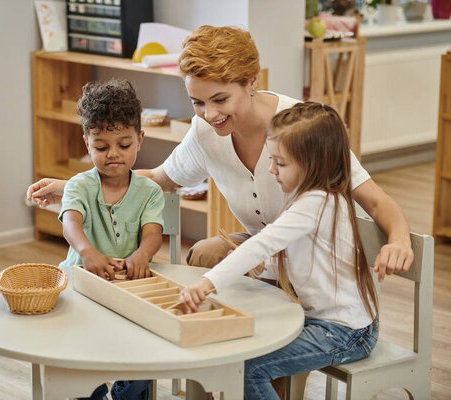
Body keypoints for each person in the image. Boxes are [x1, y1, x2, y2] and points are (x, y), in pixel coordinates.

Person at [27, 24, 413, 283]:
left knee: (251, 330)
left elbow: (376, 202)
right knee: (204, 254)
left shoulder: (302, 127)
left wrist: (399, 241)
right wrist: (75, 186)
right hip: (263, 248)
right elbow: (160, 179)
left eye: (220, 99)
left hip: (316, 259)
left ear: (251, 81)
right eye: (197, 102)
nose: (210, 115)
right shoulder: (206, 131)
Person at [179, 102, 379, 399]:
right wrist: (269, 265)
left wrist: (208, 283)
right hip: (326, 320)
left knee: (251, 368)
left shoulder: (316, 203)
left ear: (314, 163)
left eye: (280, 163)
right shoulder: (308, 198)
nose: (271, 170)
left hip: (345, 332)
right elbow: (305, 259)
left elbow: (263, 241)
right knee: (243, 349)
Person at [59, 79, 164, 400]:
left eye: (124, 144)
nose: (113, 154)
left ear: (140, 140)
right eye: (102, 147)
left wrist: (142, 255)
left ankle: (124, 391)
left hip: (131, 286)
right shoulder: (79, 185)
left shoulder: (149, 191)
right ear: (87, 143)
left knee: (148, 354)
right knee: (81, 364)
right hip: (82, 288)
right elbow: (71, 223)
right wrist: (86, 251)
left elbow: (153, 233)